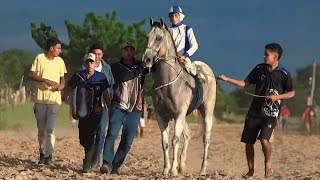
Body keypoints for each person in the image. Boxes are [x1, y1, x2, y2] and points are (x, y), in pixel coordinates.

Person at [218, 43, 295, 178]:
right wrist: (226, 79)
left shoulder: (284, 74)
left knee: (264, 140)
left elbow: (292, 93)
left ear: (275, 57)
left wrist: (277, 97)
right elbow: (245, 83)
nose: (263, 56)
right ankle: (251, 171)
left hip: (270, 114)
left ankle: (268, 162)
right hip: (254, 112)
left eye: (267, 54)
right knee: (248, 143)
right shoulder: (259, 68)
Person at [100, 42, 146, 174]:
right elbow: (125, 77)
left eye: (131, 50)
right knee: (112, 135)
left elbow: (154, 68)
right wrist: (141, 68)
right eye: (126, 50)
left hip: (135, 110)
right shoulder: (116, 66)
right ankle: (107, 163)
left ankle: (115, 165)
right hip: (118, 106)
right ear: (122, 52)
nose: (129, 52)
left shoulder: (140, 65)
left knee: (127, 141)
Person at [71, 44, 115, 169]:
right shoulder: (82, 70)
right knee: (84, 136)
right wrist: (74, 106)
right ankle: (90, 153)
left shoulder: (106, 69)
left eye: (99, 54)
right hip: (85, 107)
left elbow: (110, 87)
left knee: (100, 131)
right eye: (94, 54)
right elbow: (74, 90)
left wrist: (110, 105)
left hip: (102, 106)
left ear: (102, 55)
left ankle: (94, 159)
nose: (97, 56)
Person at [28, 38, 67, 166]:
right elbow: (31, 74)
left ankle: (49, 155)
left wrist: (61, 87)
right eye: (58, 48)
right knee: (41, 129)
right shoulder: (39, 58)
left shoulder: (60, 61)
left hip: (54, 100)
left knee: (50, 129)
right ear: (51, 48)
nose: (60, 51)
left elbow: (62, 79)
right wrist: (46, 80)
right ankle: (42, 153)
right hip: (40, 99)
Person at [167, 5, 205, 83]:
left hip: (182, 58)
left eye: (176, 16)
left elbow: (195, 45)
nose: (173, 18)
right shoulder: (167, 30)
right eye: (171, 16)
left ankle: (198, 87)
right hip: (169, 59)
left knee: (191, 70)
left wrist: (185, 56)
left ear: (180, 16)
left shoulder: (187, 29)